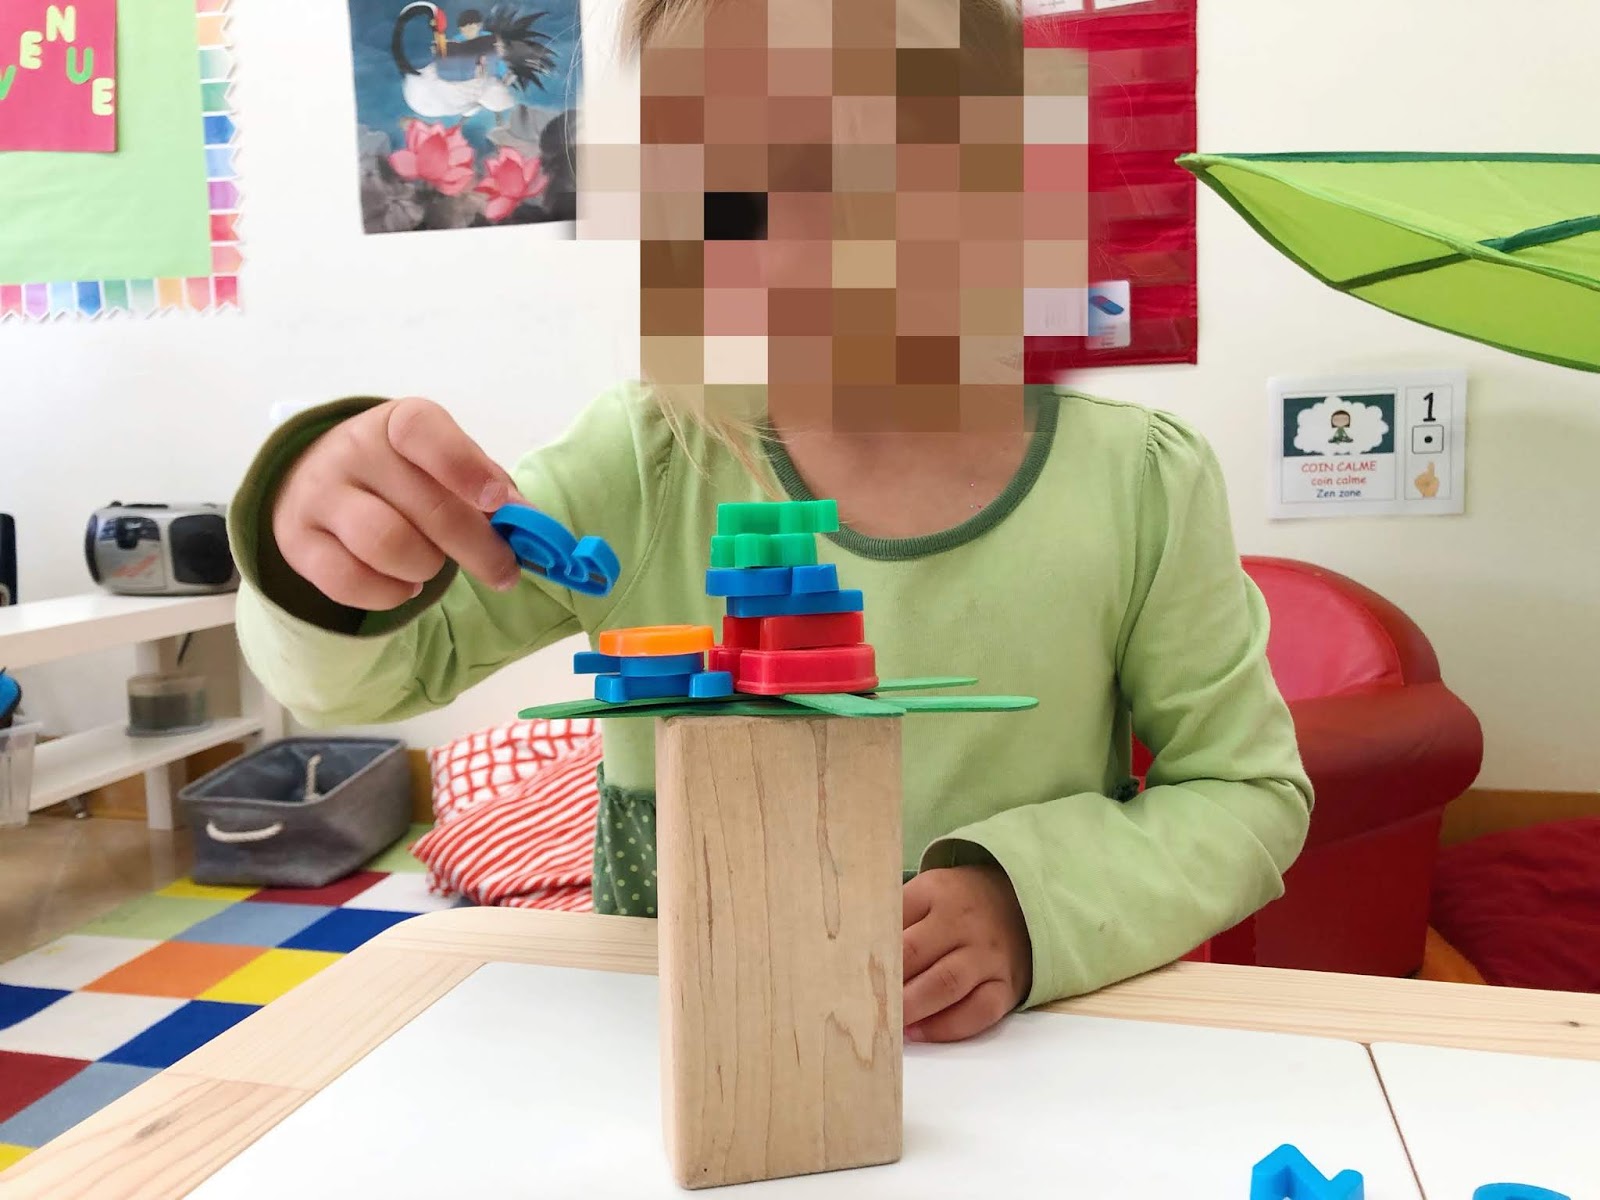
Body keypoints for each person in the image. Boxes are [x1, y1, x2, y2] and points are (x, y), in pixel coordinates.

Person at [231, 0, 1311, 1044]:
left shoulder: (1138, 481)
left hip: (1015, 1064)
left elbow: (1244, 791)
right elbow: (371, 677)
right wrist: (320, 547)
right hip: (690, 1058)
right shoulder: (647, 462)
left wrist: (1034, 901)